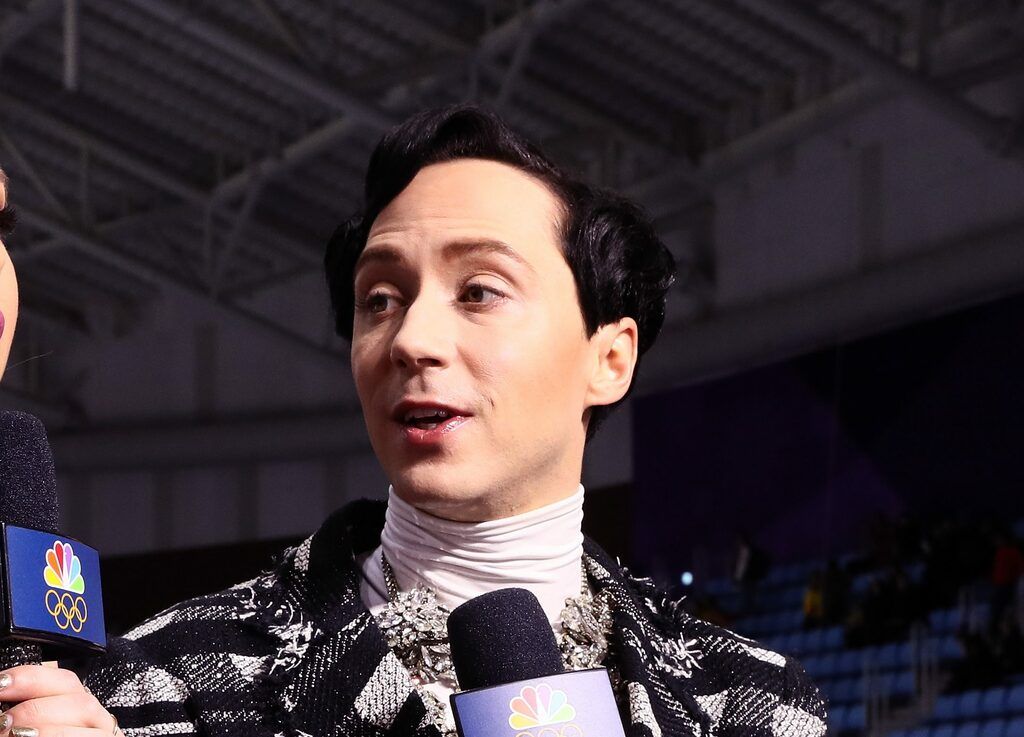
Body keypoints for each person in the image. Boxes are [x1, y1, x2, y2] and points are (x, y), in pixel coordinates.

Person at [0, 106, 827, 737]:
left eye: (479, 291)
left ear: (609, 357)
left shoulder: (755, 703)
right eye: (380, 300)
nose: (412, 339)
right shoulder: (158, 686)